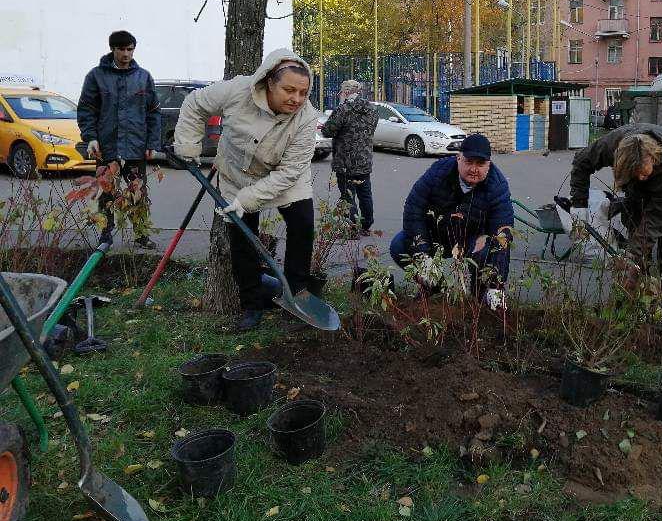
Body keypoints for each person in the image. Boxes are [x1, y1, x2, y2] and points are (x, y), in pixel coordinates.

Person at [174, 48, 320, 332]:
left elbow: (290, 172)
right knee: (242, 239)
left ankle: (297, 294)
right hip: (235, 175)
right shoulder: (237, 91)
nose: (296, 99)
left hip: (285, 177)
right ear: (268, 82)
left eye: (303, 92)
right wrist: (188, 146)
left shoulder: (306, 118)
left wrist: (250, 198)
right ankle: (252, 304)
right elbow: (195, 104)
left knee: (303, 225)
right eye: (289, 90)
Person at [568, 123, 662, 310]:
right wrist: (579, 205)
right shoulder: (611, 145)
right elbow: (582, 161)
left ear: (653, 158)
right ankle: (634, 299)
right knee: (635, 233)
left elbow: (656, 220)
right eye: (636, 175)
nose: (642, 179)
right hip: (642, 176)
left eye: (644, 174)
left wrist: (632, 254)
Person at [390, 133, 513, 310]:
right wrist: (422, 254)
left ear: (489, 165)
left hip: (472, 241)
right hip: (437, 235)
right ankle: (434, 285)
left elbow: (503, 233)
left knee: (488, 249)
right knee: (399, 244)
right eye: (469, 162)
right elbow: (413, 209)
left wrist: (496, 285)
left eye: (480, 164)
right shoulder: (438, 172)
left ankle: (481, 298)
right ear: (458, 159)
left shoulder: (497, 186)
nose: (474, 169)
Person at [77, 30, 161, 248]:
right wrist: (91, 138)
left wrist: (152, 143)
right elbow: (86, 110)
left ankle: (141, 234)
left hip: (135, 147)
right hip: (107, 147)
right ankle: (106, 235)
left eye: (130, 49)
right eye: (122, 49)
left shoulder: (143, 77)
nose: (126, 54)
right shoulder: (96, 76)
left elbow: (153, 112)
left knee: (138, 192)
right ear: (113, 49)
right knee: (106, 193)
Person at [321, 79, 378, 234]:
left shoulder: (343, 109)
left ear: (346, 92)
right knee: (365, 194)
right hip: (364, 160)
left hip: (345, 161)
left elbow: (327, 131)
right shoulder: (371, 109)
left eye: (341, 91)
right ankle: (366, 225)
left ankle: (352, 229)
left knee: (347, 195)